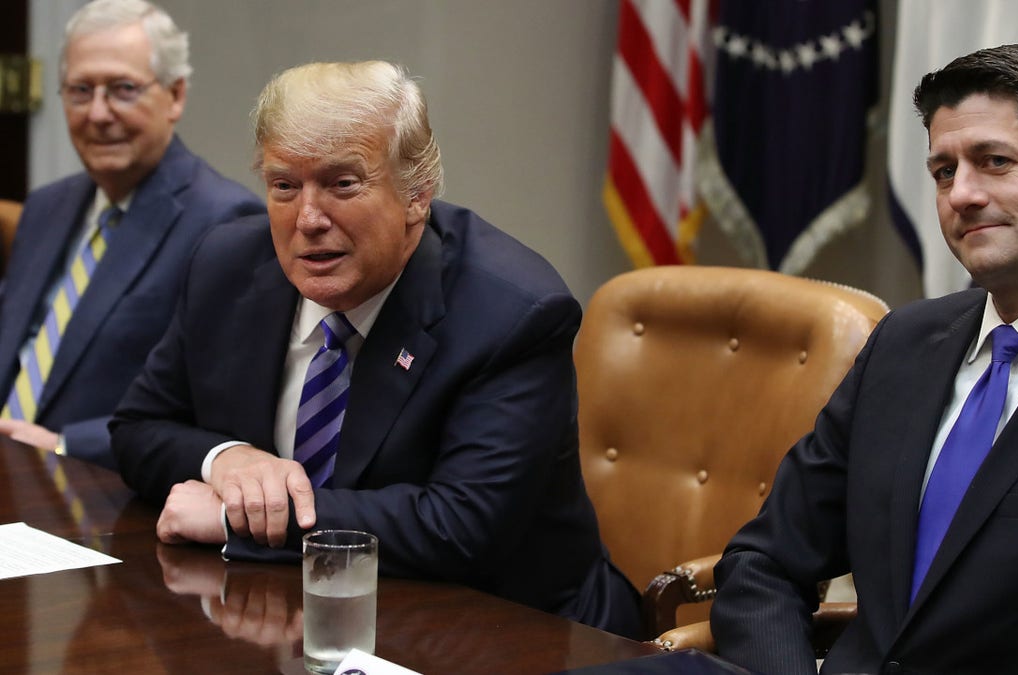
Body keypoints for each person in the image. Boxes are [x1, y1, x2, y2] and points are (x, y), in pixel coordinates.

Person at [710, 43, 1018, 674]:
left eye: (994, 162)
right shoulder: (903, 343)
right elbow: (763, 563)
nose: (961, 194)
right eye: (944, 172)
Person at [110, 60, 640, 637]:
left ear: (417, 195)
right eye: (284, 185)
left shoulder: (513, 314)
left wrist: (240, 517)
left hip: (507, 632)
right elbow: (138, 426)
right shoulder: (227, 265)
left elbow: (459, 527)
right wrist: (229, 458)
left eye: (342, 184)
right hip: (284, 620)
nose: (308, 219)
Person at [0, 0, 264, 468]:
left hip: (98, 492)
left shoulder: (227, 223)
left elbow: (213, 413)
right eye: (81, 90)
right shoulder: (47, 206)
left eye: (123, 89)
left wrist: (64, 445)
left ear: (175, 95)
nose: (98, 114)